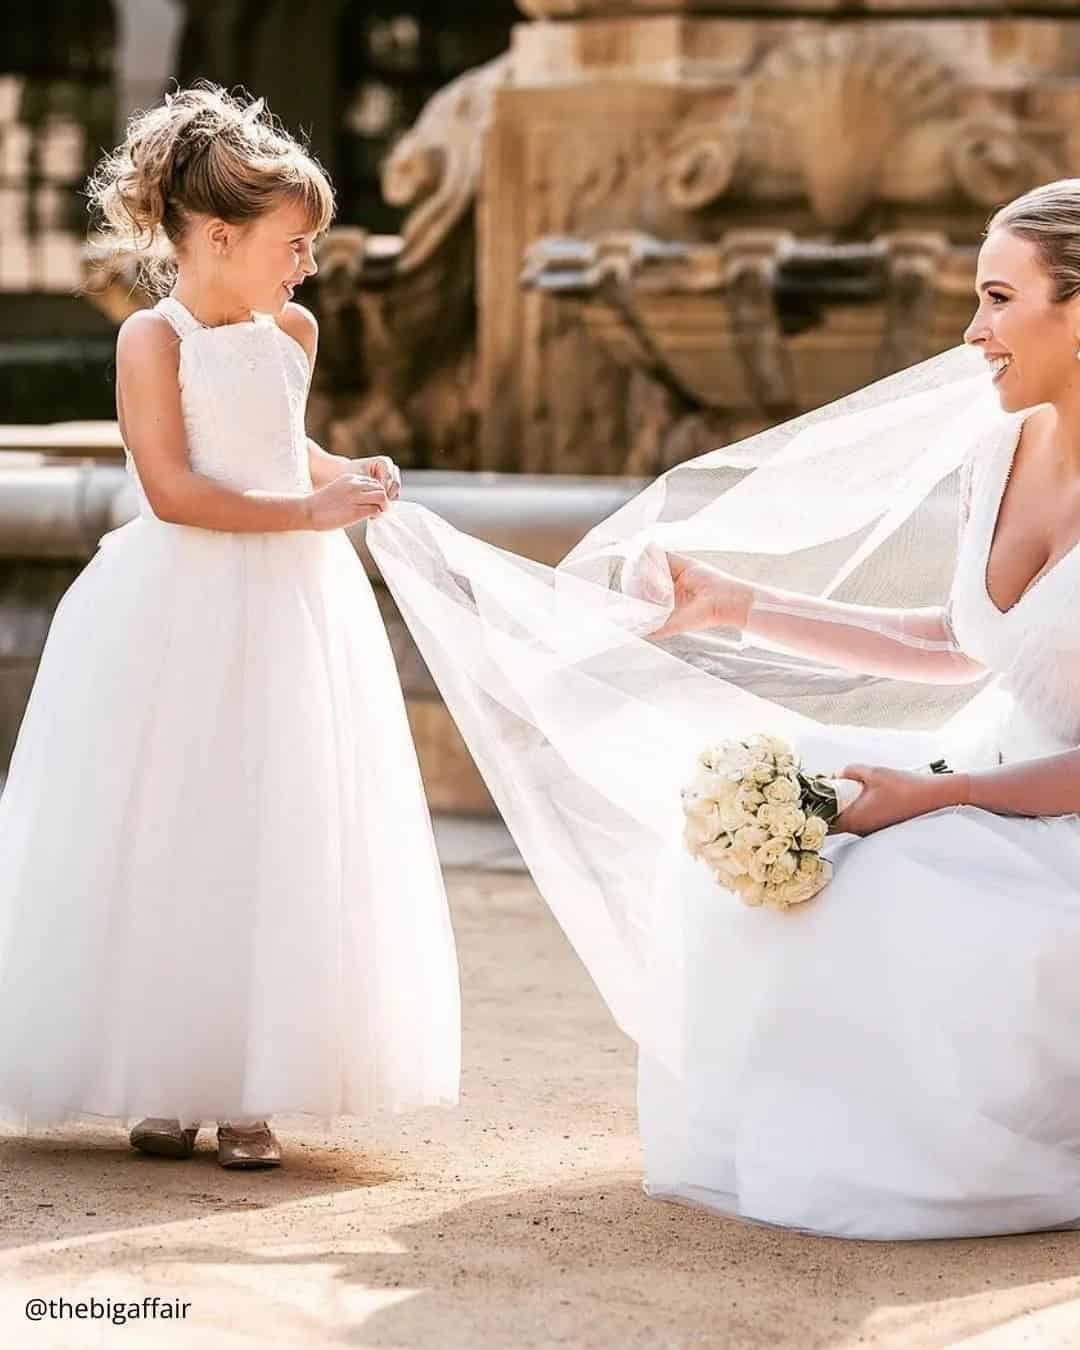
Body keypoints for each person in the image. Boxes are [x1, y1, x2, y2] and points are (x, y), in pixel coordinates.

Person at [367, 179, 1080, 1237]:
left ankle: (945, 1161)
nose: (973, 333)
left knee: (896, 882)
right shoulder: (997, 450)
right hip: (981, 765)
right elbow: (955, 641)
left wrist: (940, 798)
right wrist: (732, 605)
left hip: (1051, 811)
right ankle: (822, 1141)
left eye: (997, 299)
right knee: (771, 834)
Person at [0, 83, 459, 1168]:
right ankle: (168, 1075)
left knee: (278, 824)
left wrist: (349, 474)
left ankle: (253, 1089)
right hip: (182, 601)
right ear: (218, 236)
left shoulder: (289, 328)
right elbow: (172, 488)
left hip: (290, 605)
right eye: (294, 244)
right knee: (176, 827)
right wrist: (307, 512)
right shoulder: (151, 341)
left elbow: (282, 444)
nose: (306, 265)